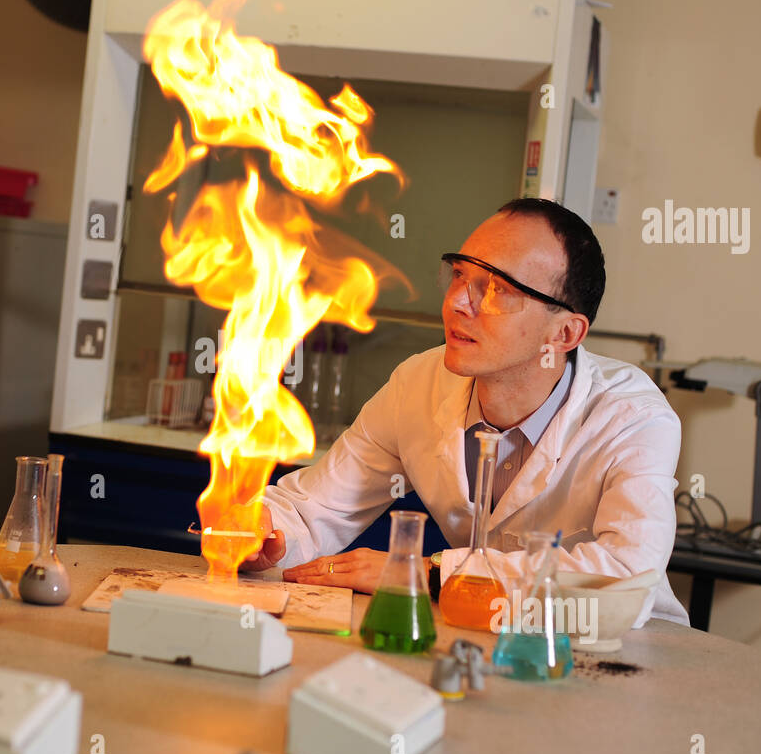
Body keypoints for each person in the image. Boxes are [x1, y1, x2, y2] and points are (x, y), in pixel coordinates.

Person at [239, 197, 689, 627]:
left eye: (497, 288)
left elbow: (627, 578)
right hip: (479, 635)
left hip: (621, 651)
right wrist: (266, 532)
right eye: (459, 274)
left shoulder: (633, 418)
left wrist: (429, 575)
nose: (457, 302)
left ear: (565, 332)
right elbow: (314, 509)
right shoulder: (418, 382)